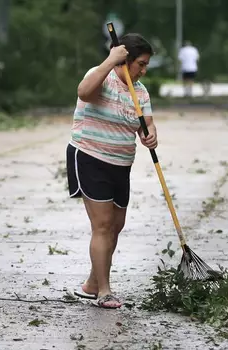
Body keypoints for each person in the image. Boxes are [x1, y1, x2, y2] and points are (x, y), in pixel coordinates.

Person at [65, 33, 157, 309]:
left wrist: (150, 135)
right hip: (91, 157)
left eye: (146, 65)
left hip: (121, 163)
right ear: (124, 60)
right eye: (140, 64)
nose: (143, 70)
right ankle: (104, 292)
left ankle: (93, 282)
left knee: (116, 226)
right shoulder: (100, 75)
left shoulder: (140, 91)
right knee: (103, 225)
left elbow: (148, 124)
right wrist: (109, 61)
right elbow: (83, 92)